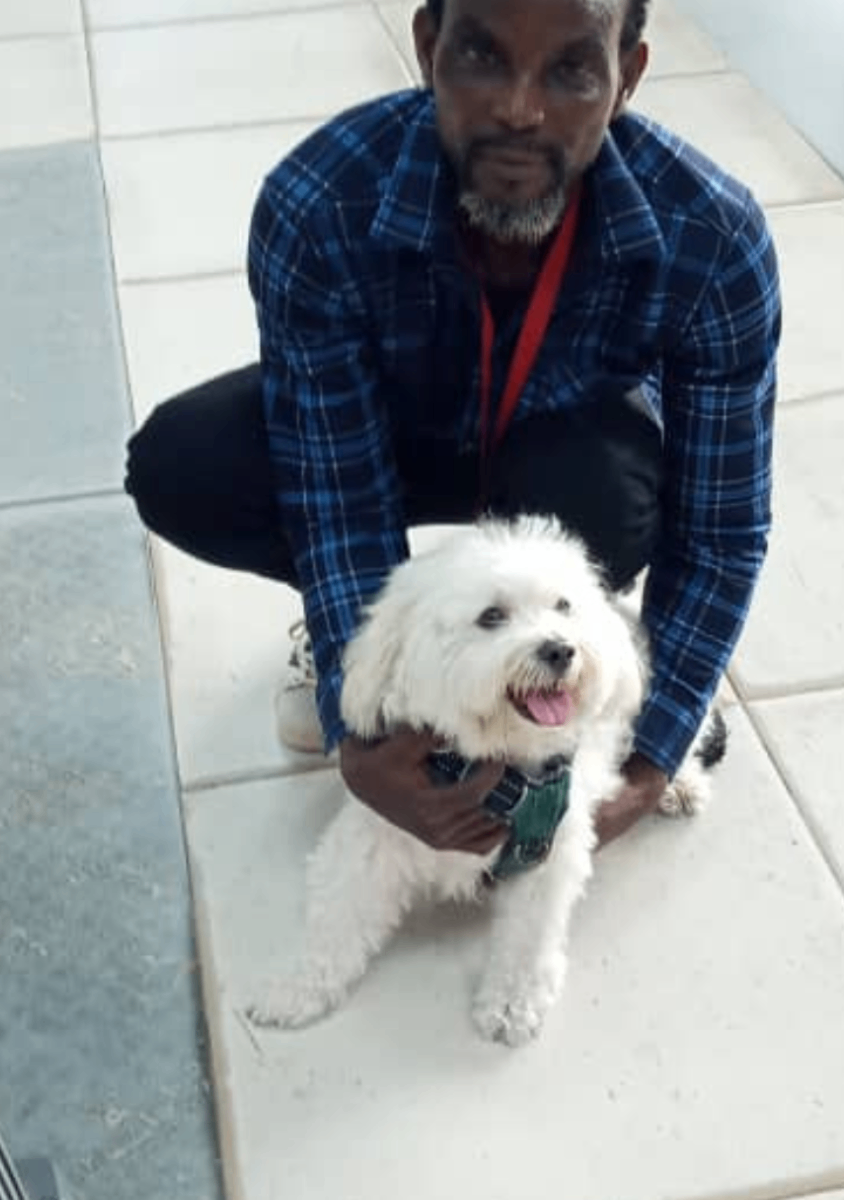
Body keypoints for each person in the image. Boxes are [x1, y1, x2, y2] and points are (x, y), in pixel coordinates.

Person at [125, 0, 780, 854]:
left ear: (628, 77)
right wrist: (361, 733)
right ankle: (369, 650)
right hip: (388, 428)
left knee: (609, 502)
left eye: (572, 70)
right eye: (482, 55)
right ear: (429, 47)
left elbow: (722, 526)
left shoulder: (713, 235)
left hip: (562, 457)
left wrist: (651, 756)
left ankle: (580, 646)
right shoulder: (320, 201)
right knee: (188, 464)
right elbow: (337, 494)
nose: (519, 108)